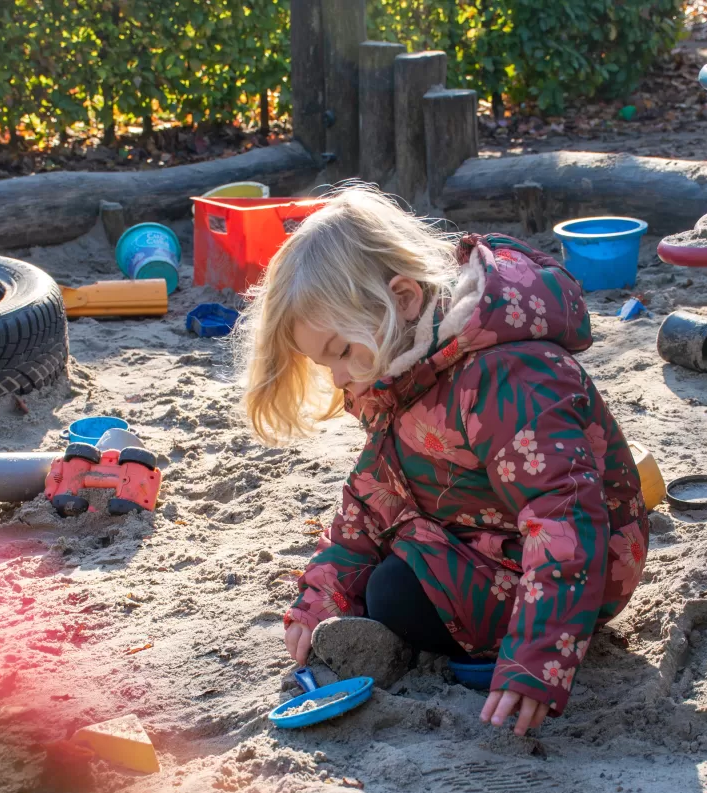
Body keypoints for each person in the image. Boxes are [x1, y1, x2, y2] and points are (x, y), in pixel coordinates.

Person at [243, 185, 648, 736]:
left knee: (394, 594)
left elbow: (564, 520)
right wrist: (323, 592)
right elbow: (376, 492)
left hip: (579, 571)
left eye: (340, 351)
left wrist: (536, 661)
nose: (338, 378)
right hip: (478, 528)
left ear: (404, 298)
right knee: (380, 575)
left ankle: (498, 641)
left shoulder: (509, 376)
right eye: (324, 363)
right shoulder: (400, 364)